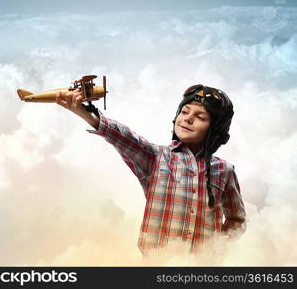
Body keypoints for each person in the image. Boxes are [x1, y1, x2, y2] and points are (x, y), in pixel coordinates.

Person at [55, 84, 246, 256]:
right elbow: (125, 139)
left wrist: (218, 249)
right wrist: (89, 115)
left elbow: (236, 219)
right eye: (184, 112)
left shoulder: (224, 170)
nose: (187, 119)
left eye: (200, 117)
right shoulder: (156, 157)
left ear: (215, 129)